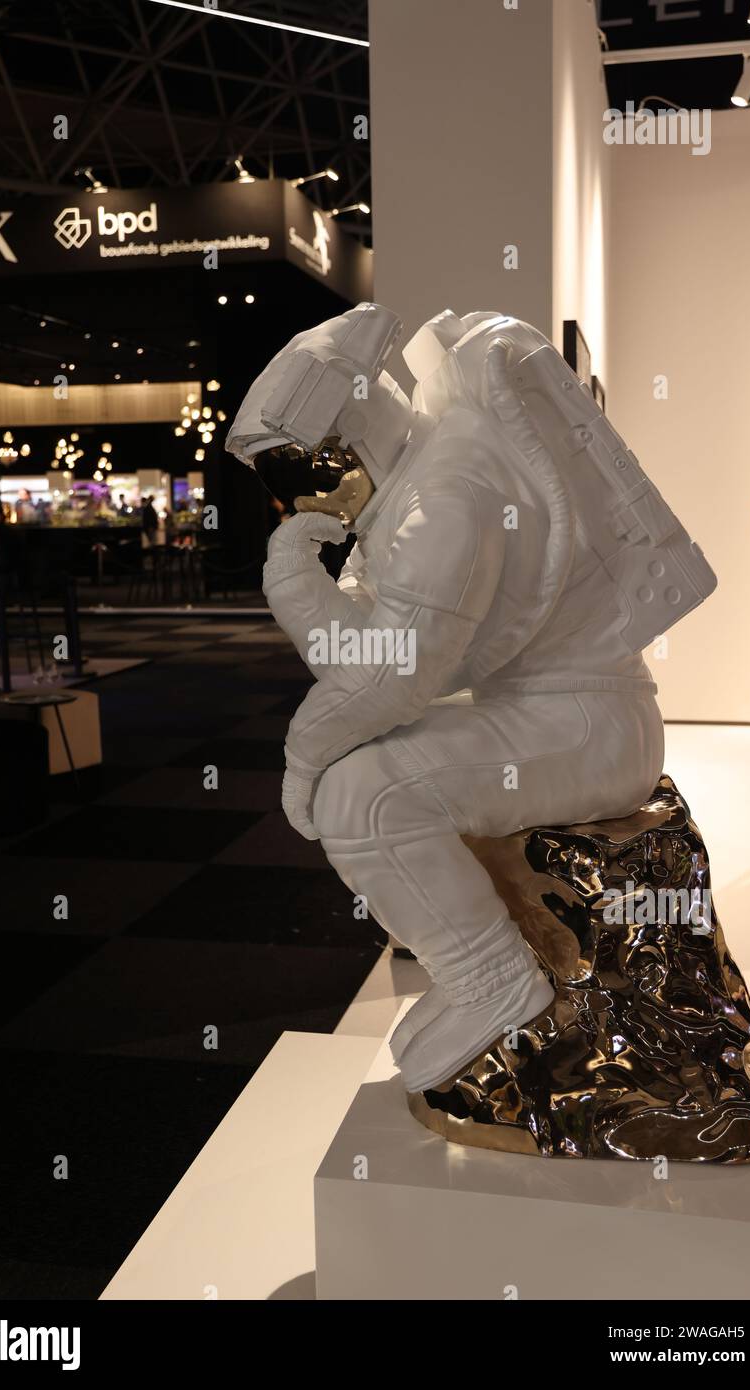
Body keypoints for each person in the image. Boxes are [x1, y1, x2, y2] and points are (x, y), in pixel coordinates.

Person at [227, 302, 717, 1093]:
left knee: (366, 799)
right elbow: (362, 665)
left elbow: (394, 678)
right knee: (360, 771)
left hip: (586, 721)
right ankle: (477, 971)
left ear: (345, 431)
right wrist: (295, 579)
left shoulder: (444, 496)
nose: (303, 493)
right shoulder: (419, 484)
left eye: (301, 466)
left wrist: (303, 760)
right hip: (554, 708)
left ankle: (492, 982)